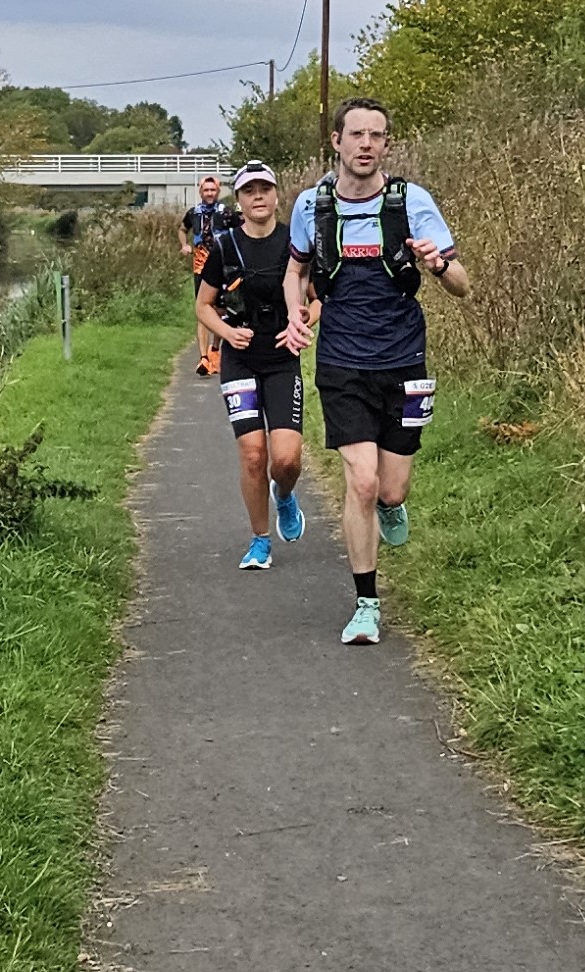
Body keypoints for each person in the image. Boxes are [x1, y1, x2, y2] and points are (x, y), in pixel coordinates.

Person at [282, 97, 469, 644]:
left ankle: (394, 504)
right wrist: (296, 312)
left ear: (386, 145)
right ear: (336, 142)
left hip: (404, 361)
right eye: (356, 134)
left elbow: (463, 284)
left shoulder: (412, 203)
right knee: (360, 483)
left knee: (389, 489)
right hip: (342, 362)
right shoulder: (312, 206)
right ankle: (366, 604)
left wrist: (438, 264)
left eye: (377, 135)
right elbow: (296, 270)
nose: (366, 144)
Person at [196, 160, 312, 570]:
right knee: (252, 454)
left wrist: (302, 321)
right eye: (249, 191)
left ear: (277, 195)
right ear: (239, 201)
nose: (258, 197)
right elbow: (203, 306)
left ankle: (284, 495)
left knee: (285, 460)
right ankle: (260, 540)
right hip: (240, 358)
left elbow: (318, 299)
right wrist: (226, 335)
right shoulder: (224, 247)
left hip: (282, 358)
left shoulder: (295, 245)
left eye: (265, 189)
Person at [179, 175, 234, 376]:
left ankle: (215, 351)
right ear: (200, 192)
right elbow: (182, 229)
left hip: (222, 267)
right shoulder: (193, 213)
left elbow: (240, 233)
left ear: (218, 192)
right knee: (202, 310)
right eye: (206, 190)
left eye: (213, 190)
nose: (209, 193)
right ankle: (203, 359)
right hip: (200, 267)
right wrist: (184, 245)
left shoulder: (227, 213)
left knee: (220, 312)